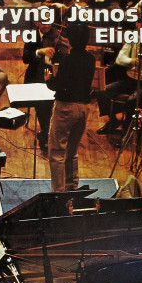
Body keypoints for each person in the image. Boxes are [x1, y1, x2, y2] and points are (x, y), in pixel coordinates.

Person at [46, 24, 95, 192]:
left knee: (57, 152)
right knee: (72, 150)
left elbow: (56, 85)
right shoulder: (91, 59)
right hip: (84, 108)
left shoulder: (67, 60)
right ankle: (72, 187)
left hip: (66, 108)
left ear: (70, 40)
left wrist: (48, 79)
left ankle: (58, 192)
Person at [23, 9, 70, 152]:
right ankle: (47, 132)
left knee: (48, 102)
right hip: (34, 77)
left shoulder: (57, 36)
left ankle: (48, 133)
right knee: (42, 103)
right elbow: (25, 58)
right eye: (43, 22)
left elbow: (63, 59)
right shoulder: (31, 35)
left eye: (49, 21)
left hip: (51, 76)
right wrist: (39, 52)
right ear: (36, 23)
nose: (48, 25)